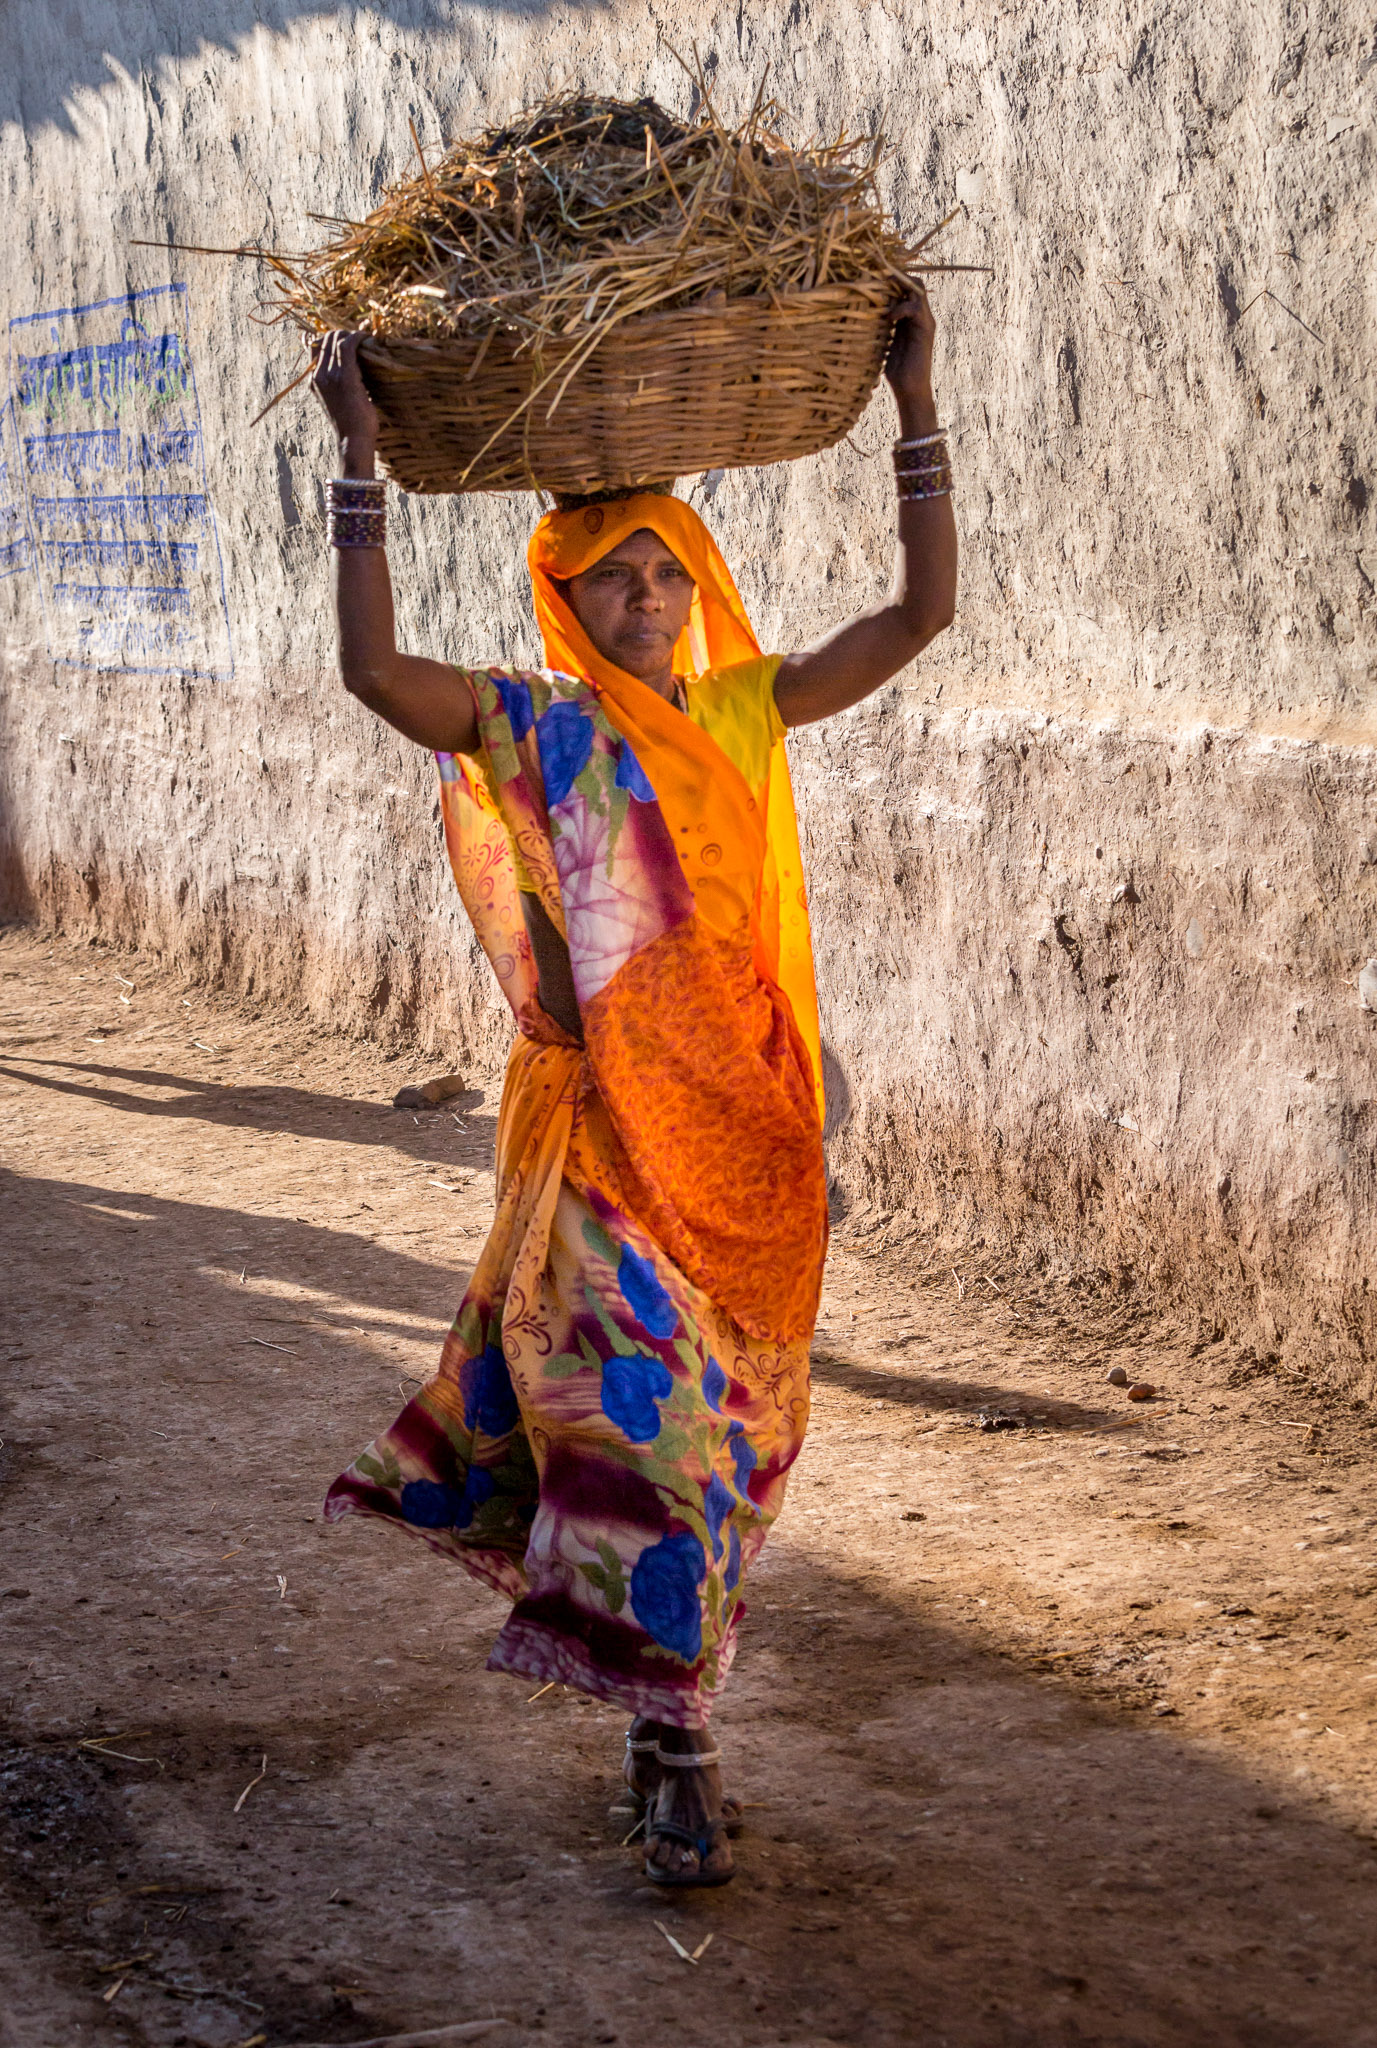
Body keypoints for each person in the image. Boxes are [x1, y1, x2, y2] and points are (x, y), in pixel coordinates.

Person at [313, 295, 957, 1887]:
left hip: (745, 1138)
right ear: (567, 596)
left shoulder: (741, 709)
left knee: (727, 1447)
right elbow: (374, 673)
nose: (655, 594)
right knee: (641, 1434)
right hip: (607, 1142)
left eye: (670, 567)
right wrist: (359, 467)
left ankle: (670, 1702)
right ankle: (675, 1743)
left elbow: (915, 620)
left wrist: (917, 406)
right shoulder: (530, 726)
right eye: (620, 574)